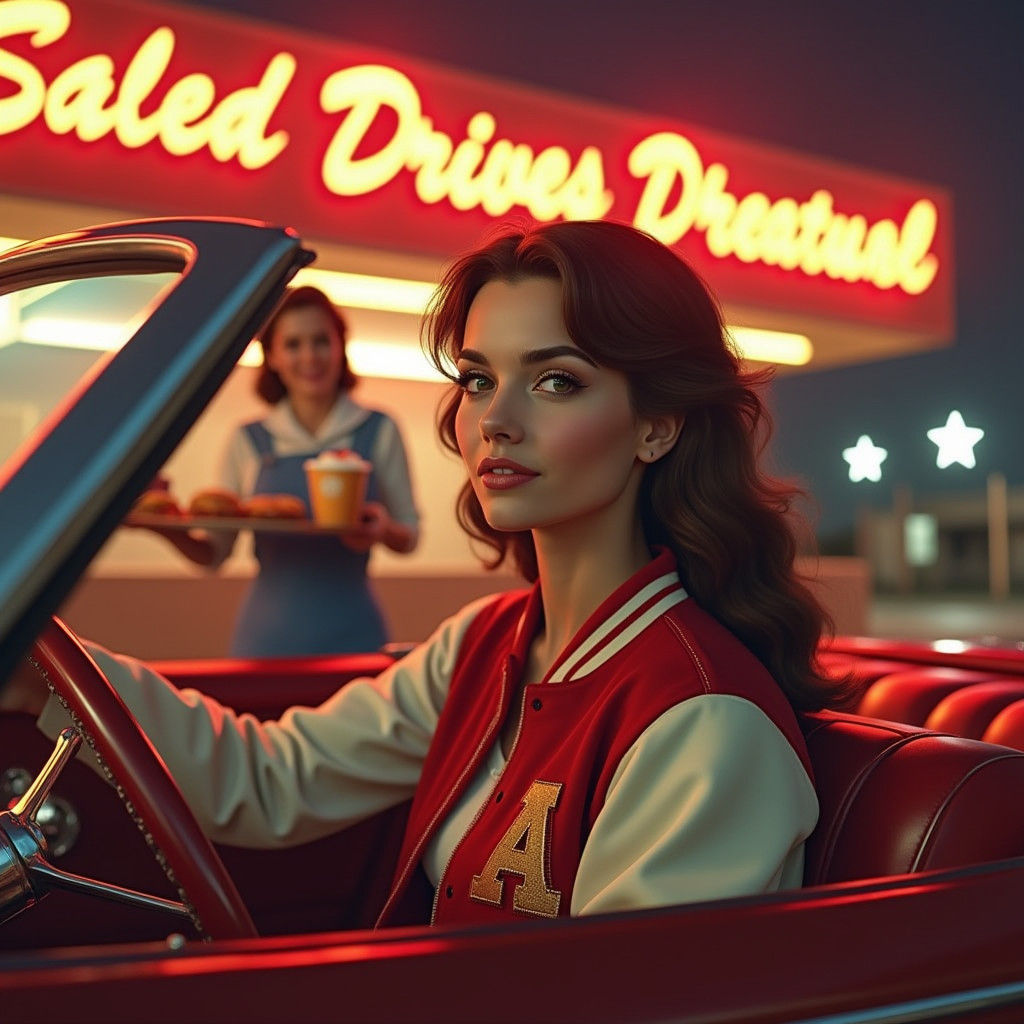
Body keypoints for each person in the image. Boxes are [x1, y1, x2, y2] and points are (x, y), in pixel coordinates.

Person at [3, 220, 856, 928]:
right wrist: (46, 670)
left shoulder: (704, 723)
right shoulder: (483, 642)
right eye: (480, 379)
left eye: (556, 381)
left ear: (657, 426)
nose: (496, 420)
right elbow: (271, 782)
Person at [151, 285, 420, 656]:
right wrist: (163, 524)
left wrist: (383, 529)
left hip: (355, 636)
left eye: (321, 341)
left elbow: (409, 535)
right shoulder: (249, 439)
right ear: (272, 357)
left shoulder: (378, 429)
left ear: (341, 346)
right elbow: (213, 554)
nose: (310, 356)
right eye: (293, 344)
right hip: (267, 642)